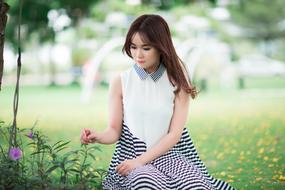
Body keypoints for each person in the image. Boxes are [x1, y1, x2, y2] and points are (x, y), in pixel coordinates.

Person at [81, 14, 234, 190]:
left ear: (161, 47)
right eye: (133, 47)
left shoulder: (177, 80)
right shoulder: (120, 82)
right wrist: (97, 136)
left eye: (146, 48)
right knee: (145, 183)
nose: (138, 54)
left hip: (171, 154)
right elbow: (114, 131)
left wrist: (141, 161)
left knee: (196, 186)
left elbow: (175, 134)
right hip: (132, 156)